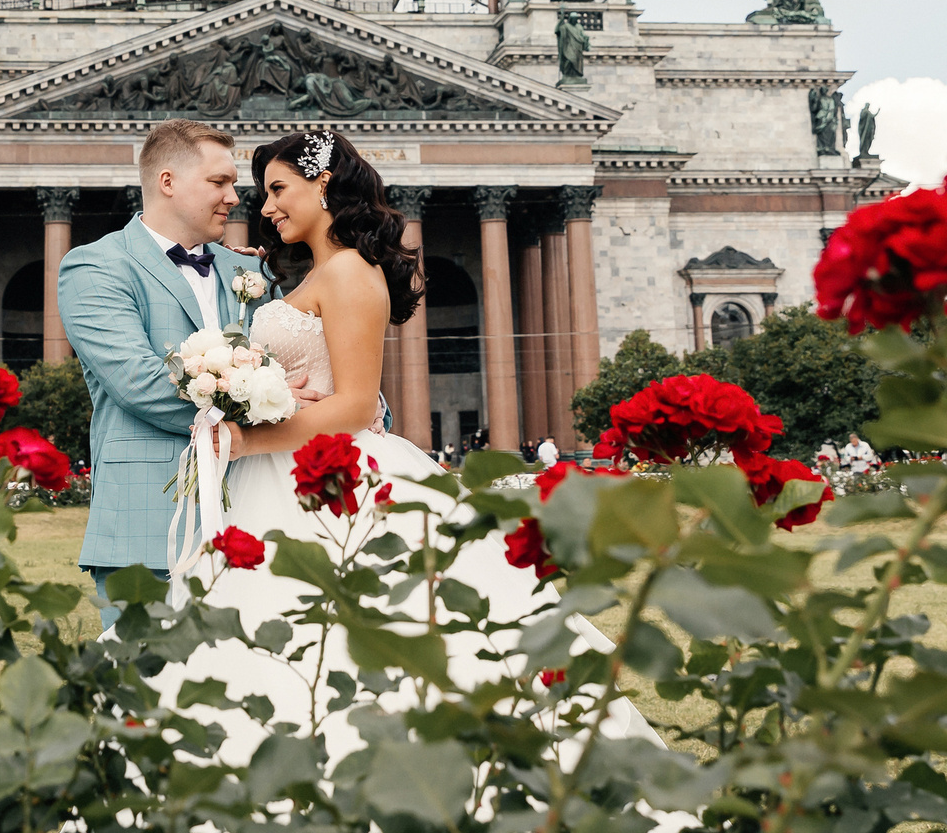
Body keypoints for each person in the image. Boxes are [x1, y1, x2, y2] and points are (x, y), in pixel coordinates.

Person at [161, 129, 664, 786]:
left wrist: (248, 434)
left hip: (332, 473)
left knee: (340, 629)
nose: (268, 206)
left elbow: (354, 404)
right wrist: (259, 400)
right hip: (292, 472)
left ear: (323, 184)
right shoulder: (330, 270)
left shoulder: (346, 272)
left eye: (279, 189)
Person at [59, 119, 314, 614]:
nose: (235, 197)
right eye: (219, 182)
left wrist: (353, 404)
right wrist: (273, 405)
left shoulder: (251, 272)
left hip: (258, 524)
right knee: (145, 685)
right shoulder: (95, 267)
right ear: (167, 181)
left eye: (233, 184)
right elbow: (140, 383)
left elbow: (301, 365)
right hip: (148, 527)